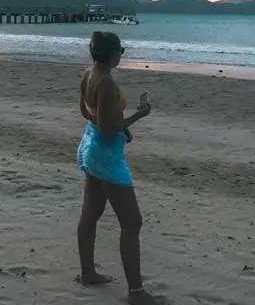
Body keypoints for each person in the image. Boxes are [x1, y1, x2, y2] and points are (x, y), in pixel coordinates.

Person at [76, 31, 153, 304]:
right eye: (121, 50)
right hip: (106, 156)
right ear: (112, 54)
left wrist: (121, 129)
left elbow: (88, 113)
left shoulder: (88, 74)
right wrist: (136, 117)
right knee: (132, 222)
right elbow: (108, 128)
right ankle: (136, 293)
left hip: (91, 146)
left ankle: (88, 273)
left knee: (91, 214)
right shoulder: (107, 83)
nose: (122, 54)